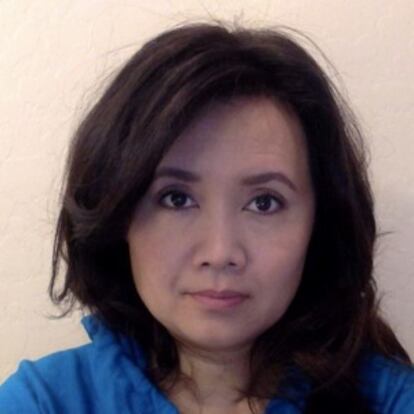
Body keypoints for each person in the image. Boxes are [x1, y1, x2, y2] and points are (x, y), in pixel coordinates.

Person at [0, 21, 413, 414]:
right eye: (176, 199)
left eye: (264, 203)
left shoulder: (391, 402)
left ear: (319, 225)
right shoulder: (42, 403)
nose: (220, 252)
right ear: (117, 214)